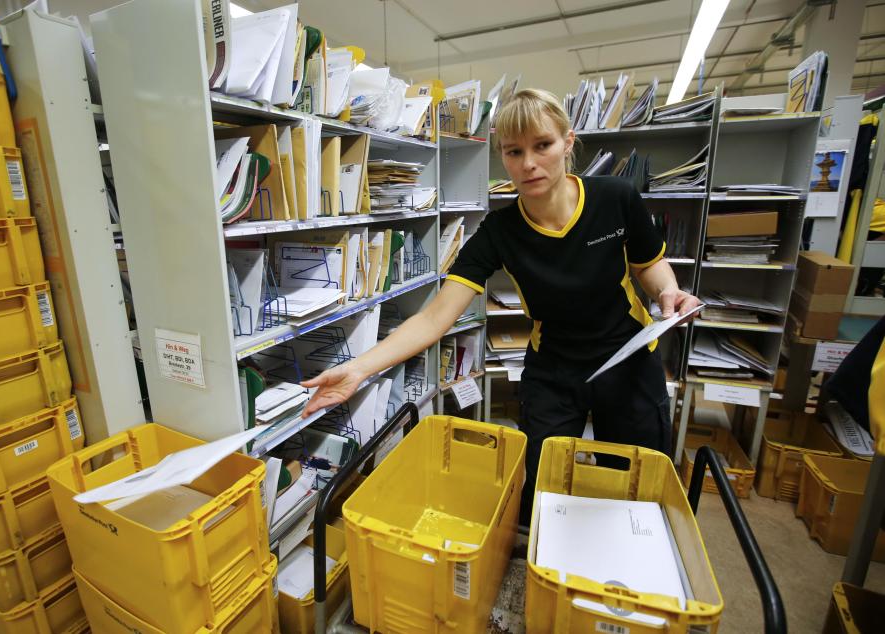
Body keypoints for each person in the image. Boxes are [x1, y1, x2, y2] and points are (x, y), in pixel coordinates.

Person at [300, 88, 701, 520]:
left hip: (628, 358)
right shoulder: (499, 230)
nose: (528, 163)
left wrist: (666, 291)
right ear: (502, 156)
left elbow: (649, 265)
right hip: (555, 369)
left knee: (634, 486)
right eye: (513, 151)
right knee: (545, 490)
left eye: (542, 145)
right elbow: (435, 318)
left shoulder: (615, 198)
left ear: (567, 142)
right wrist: (360, 368)